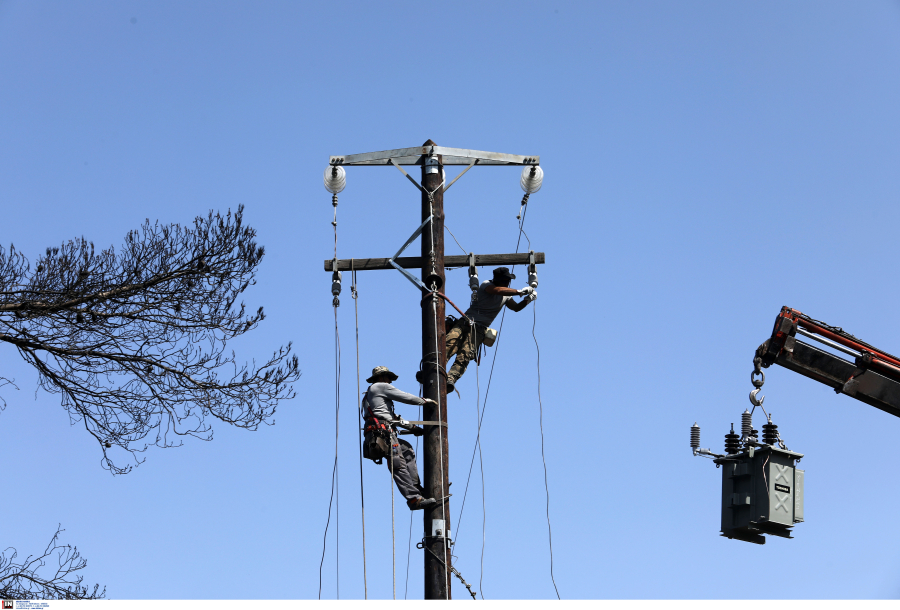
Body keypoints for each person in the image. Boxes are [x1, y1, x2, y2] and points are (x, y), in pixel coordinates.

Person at [445, 267, 536, 392]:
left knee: (465, 355)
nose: (508, 282)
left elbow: (515, 307)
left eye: (508, 280)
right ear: (498, 280)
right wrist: (519, 291)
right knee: (448, 345)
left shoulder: (507, 296)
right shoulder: (486, 284)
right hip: (464, 323)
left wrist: (527, 300)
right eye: (505, 280)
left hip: (479, 329)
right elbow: (496, 290)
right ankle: (432, 370)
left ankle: (450, 379)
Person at [361, 365, 439, 510]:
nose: (390, 381)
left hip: (379, 433)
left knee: (407, 450)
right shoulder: (380, 386)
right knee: (398, 464)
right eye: (388, 377)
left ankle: (415, 487)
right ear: (381, 377)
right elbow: (405, 396)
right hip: (383, 433)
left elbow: (393, 417)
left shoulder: (370, 395)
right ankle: (414, 499)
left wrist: (413, 428)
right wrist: (423, 401)